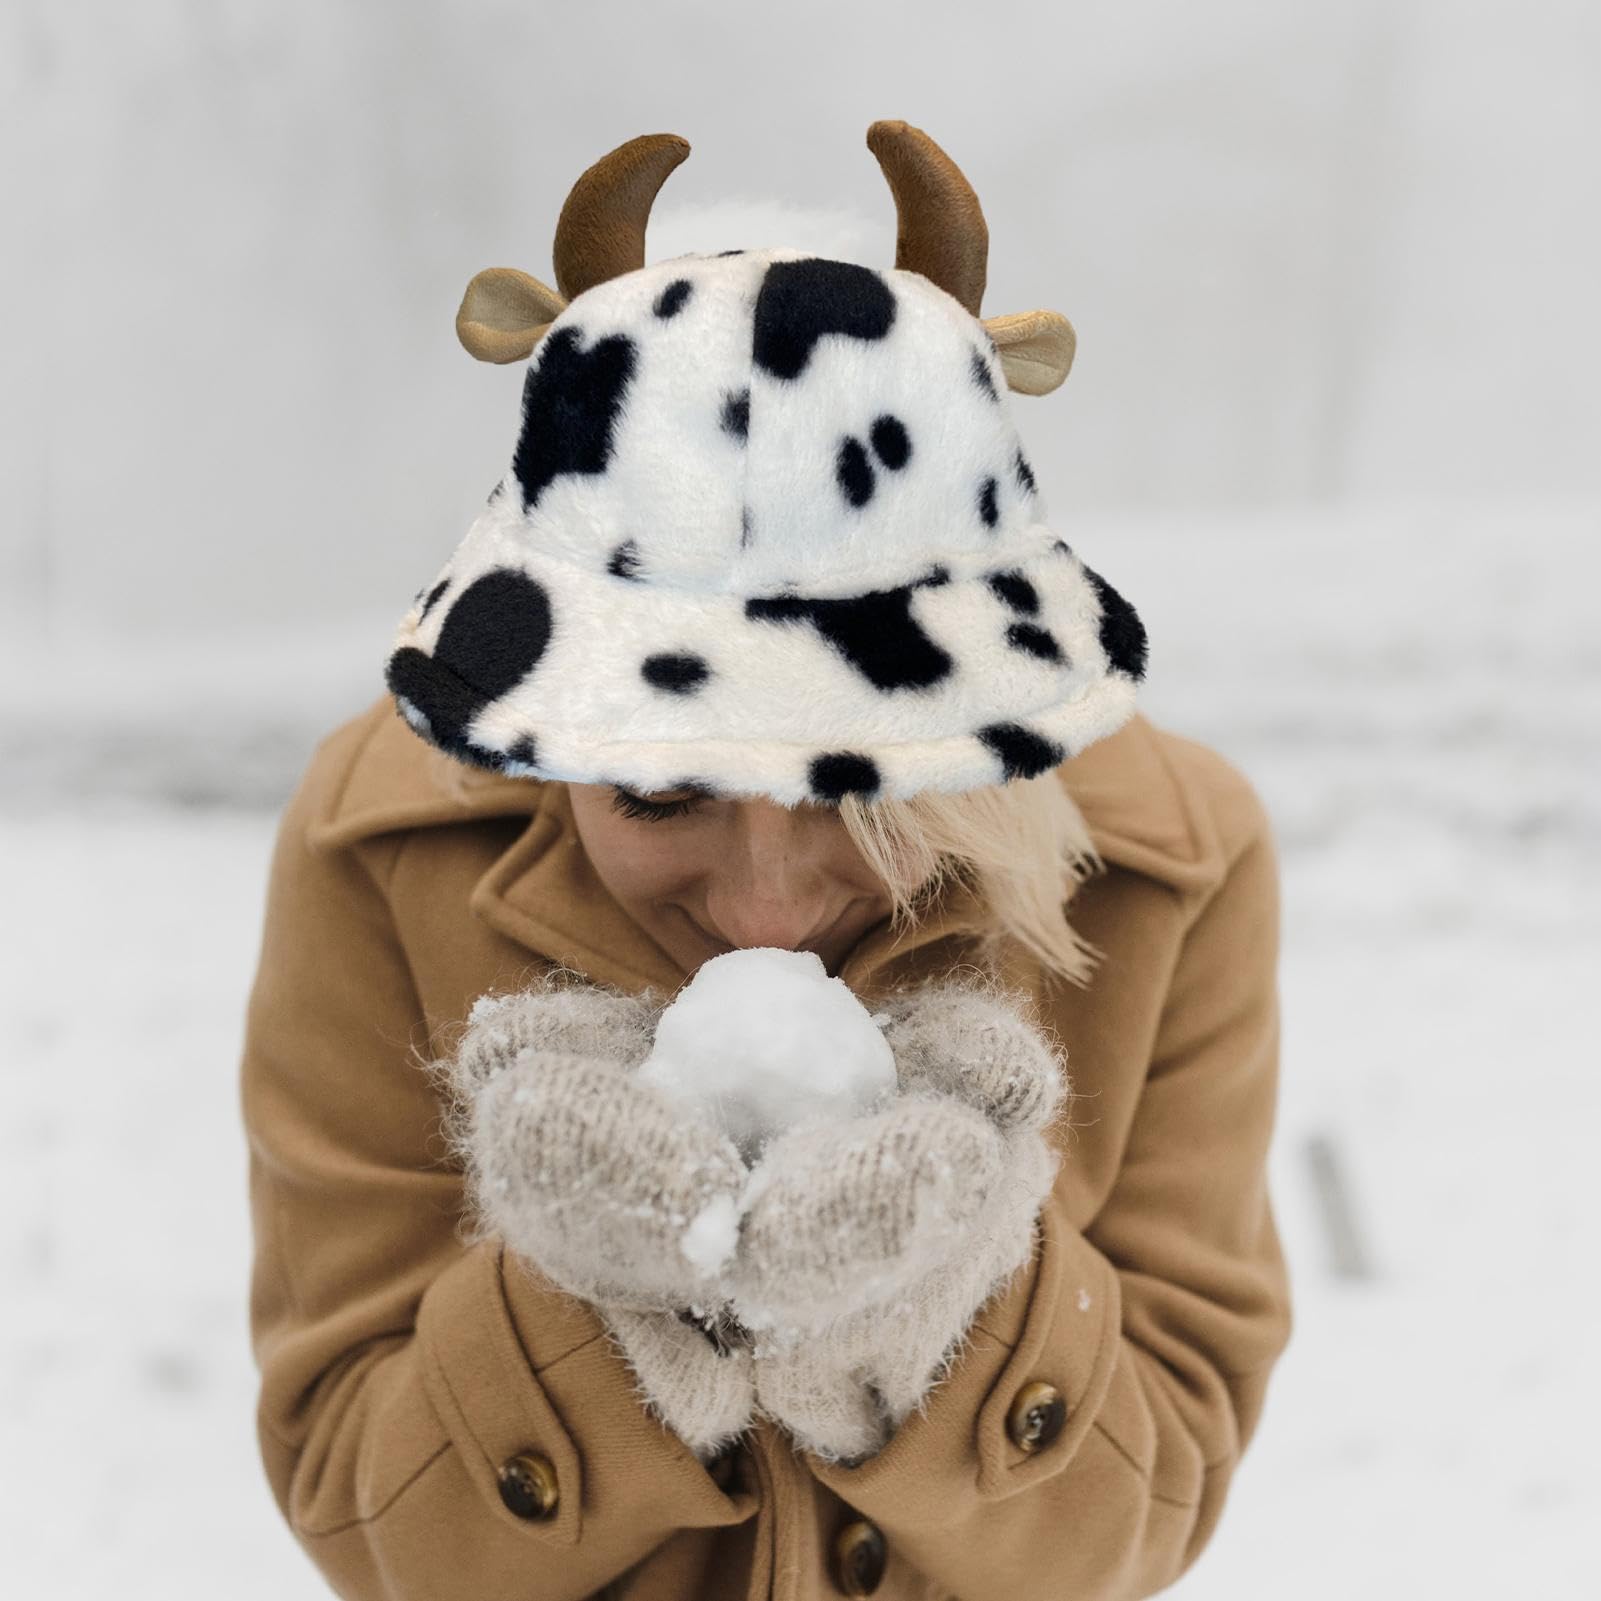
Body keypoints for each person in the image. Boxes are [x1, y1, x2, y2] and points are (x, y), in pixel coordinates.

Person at [243, 122, 1291, 1601]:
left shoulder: (1168, 861)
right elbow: (363, 1514)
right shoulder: (377, 840)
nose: (765, 909)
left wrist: (936, 1314)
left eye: (864, 799)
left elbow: (1150, 1509)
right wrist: (592, 1300)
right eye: (663, 796)